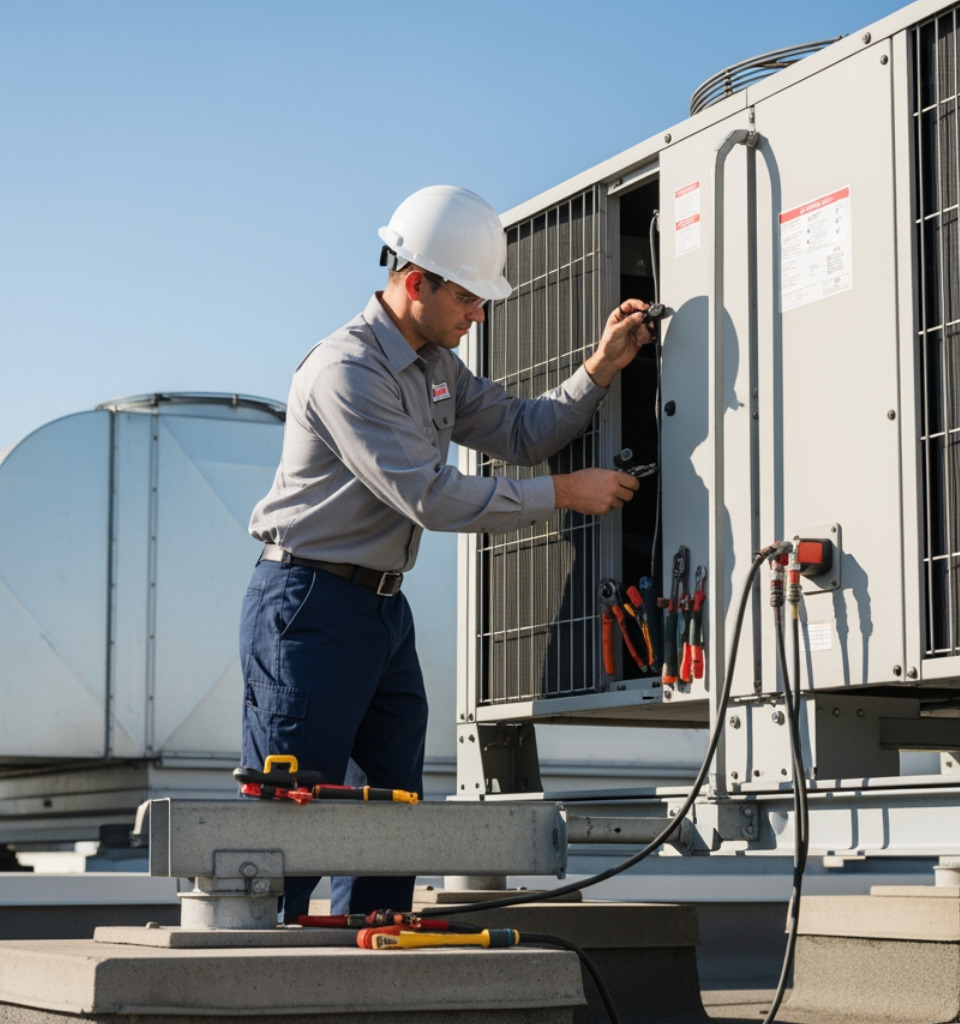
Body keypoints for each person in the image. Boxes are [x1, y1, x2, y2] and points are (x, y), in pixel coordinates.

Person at [241, 184, 652, 919]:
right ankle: (262, 968)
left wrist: (600, 368)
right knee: (292, 814)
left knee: (389, 814)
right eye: (467, 297)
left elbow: (521, 430)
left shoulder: (435, 366)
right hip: (309, 608)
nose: (478, 314)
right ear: (413, 283)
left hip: (378, 615)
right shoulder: (348, 372)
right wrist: (563, 494)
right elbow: (430, 496)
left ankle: (368, 970)